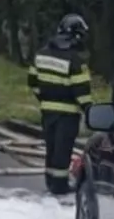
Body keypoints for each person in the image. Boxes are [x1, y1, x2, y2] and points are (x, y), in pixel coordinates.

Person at [27, 14, 94, 195]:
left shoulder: (41, 54)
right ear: (76, 36)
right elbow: (82, 93)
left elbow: (33, 82)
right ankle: (60, 186)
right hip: (68, 114)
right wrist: (90, 112)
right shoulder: (75, 61)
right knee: (62, 151)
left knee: (51, 148)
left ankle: (50, 182)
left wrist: (45, 99)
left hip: (47, 111)